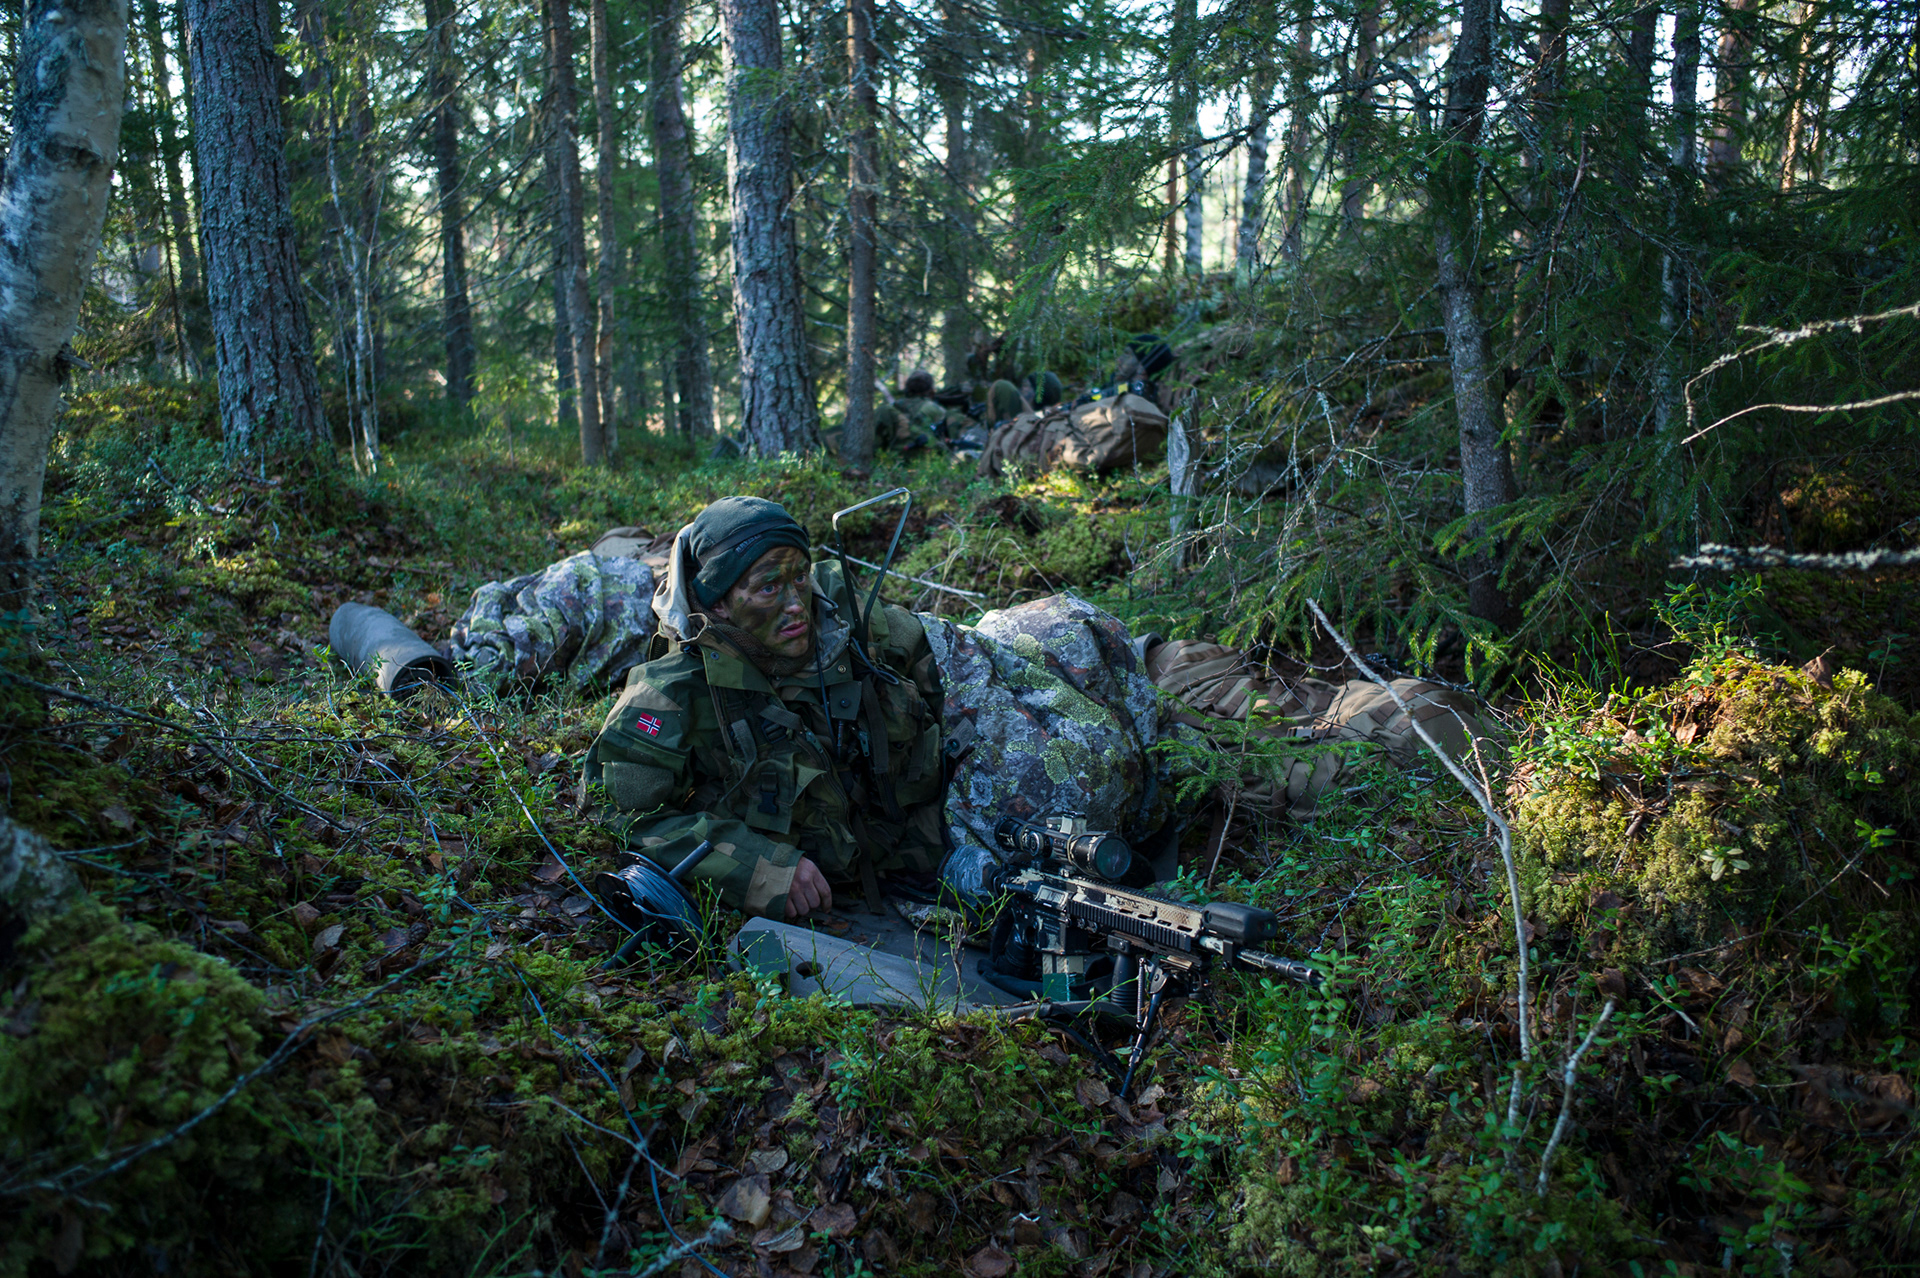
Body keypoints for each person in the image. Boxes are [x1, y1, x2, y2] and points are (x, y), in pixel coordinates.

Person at [579, 497, 947, 921]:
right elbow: (618, 814)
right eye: (769, 587)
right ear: (718, 603)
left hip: (925, 872)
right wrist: (756, 868)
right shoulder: (668, 696)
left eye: (800, 578)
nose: (796, 605)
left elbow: (961, 703)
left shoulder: (866, 630)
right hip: (815, 921)